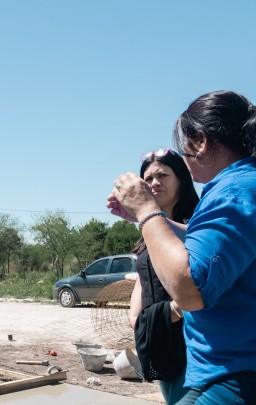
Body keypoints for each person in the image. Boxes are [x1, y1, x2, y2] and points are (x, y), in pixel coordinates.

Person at [108, 90, 256, 404]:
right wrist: (144, 215)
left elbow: (191, 289)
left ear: (200, 142)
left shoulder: (233, 191)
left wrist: (147, 211)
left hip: (230, 374)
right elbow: (207, 239)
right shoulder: (242, 186)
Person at [126, 148, 199, 405]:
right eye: (147, 179)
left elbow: (201, 275)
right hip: (159, 335)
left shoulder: (198, 222)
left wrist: (176, 310)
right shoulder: (148, 230)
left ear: (181, 179)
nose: (154, 183)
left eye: (162, 175)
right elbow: (142, 274)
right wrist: (135, 316)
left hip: (190, 339)